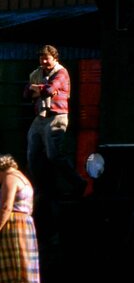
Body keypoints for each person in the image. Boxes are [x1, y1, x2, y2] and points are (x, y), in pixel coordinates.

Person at [24, 45, 84, 201]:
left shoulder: (61, 72)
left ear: (55, 59)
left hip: (57, 117)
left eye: (47, 58)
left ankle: (78, 183)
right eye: (41, 58)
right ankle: (42, 189)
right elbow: (25, 93)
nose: (43, 61)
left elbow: (49, 90)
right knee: (32, 156)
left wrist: (36, 88)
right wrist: (38, 88)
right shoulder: (37, 73)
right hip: (40, 117)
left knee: (54, 155)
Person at [0, 154, 40, 283]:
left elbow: (6, 207)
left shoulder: (9, 178)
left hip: (13, 225)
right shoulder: (21, 177)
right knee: (7, 273)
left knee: (10, 273)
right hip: (22, 225)